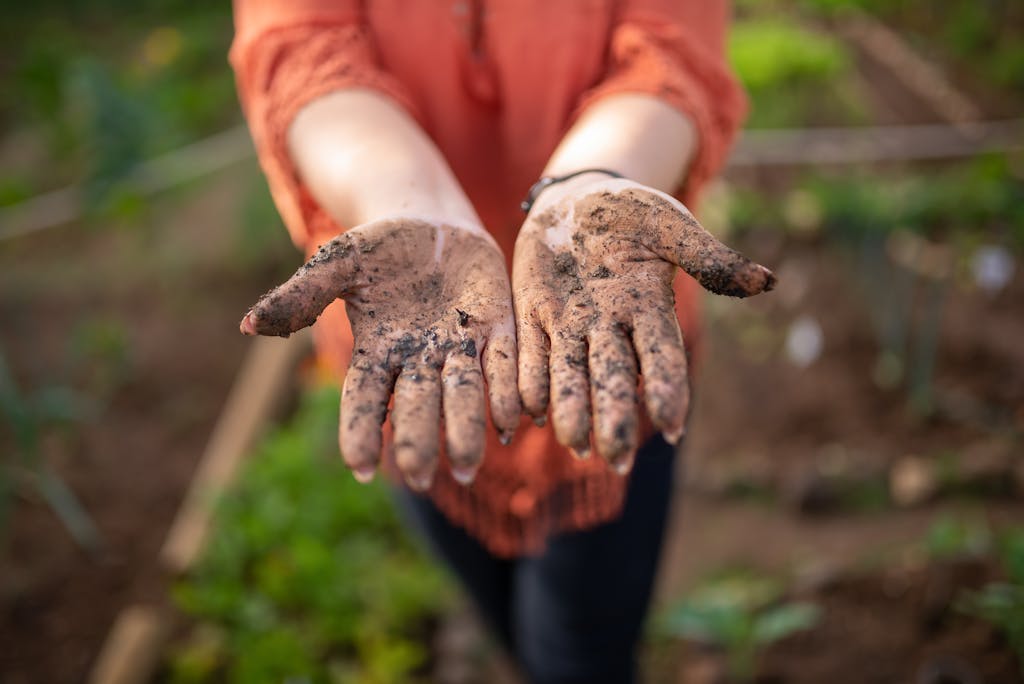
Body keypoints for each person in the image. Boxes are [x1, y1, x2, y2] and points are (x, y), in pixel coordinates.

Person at [230, 1, 774, 681]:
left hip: (602, 326)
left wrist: (586, 185)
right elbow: (301, 50)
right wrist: (406, 200)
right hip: (414, 341)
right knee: (508, 626)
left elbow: (671, 51)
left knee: (580, 655)